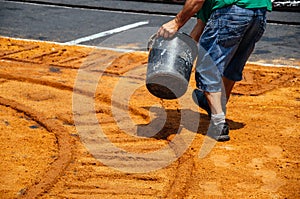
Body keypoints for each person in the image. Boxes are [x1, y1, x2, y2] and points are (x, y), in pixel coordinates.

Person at [157, 0, 272, 141]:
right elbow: (199, 27)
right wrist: (180, 57)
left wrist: (176, 22)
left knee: (207, 67)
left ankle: (218, 123)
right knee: (233, 64)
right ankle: (215, 106)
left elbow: (196, 1)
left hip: (231, 12)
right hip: (258, 14)